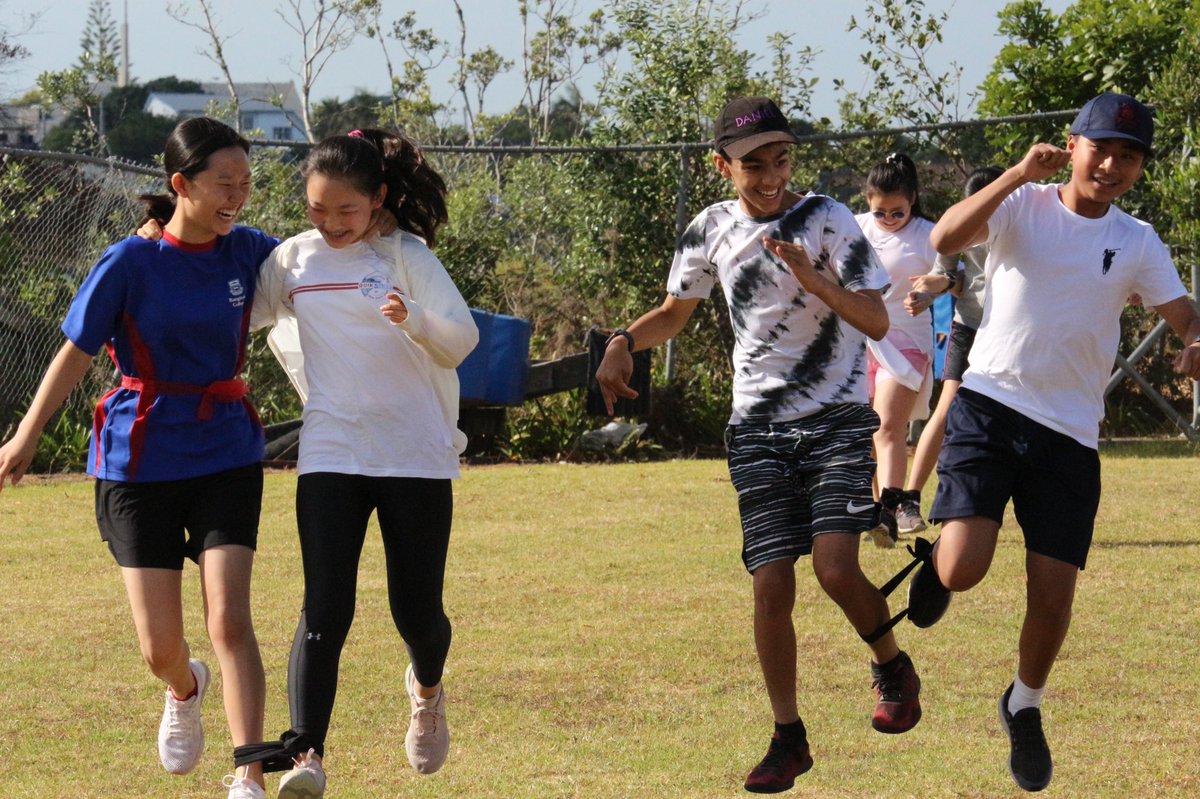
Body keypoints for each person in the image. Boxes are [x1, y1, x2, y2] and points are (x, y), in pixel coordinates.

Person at [595, 97, 922, 795]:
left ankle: (891, 663)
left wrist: (815, 279)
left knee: (835, 569)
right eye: (752, 165)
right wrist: (623, 342)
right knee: (772, 583)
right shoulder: (708, 229)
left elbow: (875, 315)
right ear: (722, 167)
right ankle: (788, 736)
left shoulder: (829, 219)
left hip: (835, 418)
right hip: (757, 428)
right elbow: (675, 314)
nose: (771, 177)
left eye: (781, 160)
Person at [914, 92, 1200, 792]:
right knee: (962, 570)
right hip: (990, 404)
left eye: (1128, 156)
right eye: (1100, 147)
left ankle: (1024, 703)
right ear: (1071, 144)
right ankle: (938, 562)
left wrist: (1196, 336)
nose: (1111, 164)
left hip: (1070, 433)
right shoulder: (1024, 203)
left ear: (1138, 168)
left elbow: (1183, 309)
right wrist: (1014, 174)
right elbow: (944, 240)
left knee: (1054, 595)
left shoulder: (1137, 241)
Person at [0, 117, 278, 799]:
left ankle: (248, 772)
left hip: (226, 449)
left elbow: (329, 255)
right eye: (223, 184)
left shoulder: (250, 252)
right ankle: (185, 688)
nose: (237, 197)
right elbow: (76, 350)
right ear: (180, 185)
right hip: (139, 457)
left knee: (229, 617)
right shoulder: (128, 261)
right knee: (160, 646)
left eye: (245, 183)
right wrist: (26, 434)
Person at [248, 129, 478, 798]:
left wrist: (415, 322)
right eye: (318, 209)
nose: (331, 223)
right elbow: (239, 315)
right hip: (330, 451)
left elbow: (460, 338)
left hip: (415, 454)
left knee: (418, 613)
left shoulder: (408, 255)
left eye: (345, 211)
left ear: (377, 199)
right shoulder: (291, 259)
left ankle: (426, 686)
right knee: (324, 610)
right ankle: (305, 756)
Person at [900, 167, 1004, 524]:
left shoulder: (1029, 225)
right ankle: (909, 499)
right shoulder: (961, 226)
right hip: (970, 326)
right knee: (945, 411)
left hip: (1014, 333)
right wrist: (923, 296)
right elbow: (941, 275)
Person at [854, 153, 938, 545]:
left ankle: (891, 505)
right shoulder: (854, 229)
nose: (888, 220)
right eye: (880, 212)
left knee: (889, 426)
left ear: (914, 199)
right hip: (858, 339)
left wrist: (927, 291)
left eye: (897, 212)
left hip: (906, 341)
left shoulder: (929, 235)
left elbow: (950, 276)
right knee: (865, 430)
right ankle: (875, 514)